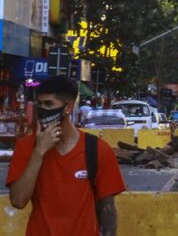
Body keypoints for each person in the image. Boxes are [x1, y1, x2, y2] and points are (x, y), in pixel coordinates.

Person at [7, 75, 126, 235]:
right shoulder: (27, 147)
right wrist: (39, 152)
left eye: (49, 104)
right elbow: (18, 201)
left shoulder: (97, 150)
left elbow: (108, 208)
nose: (42, 110)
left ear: (68, 108)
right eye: (39, 104)